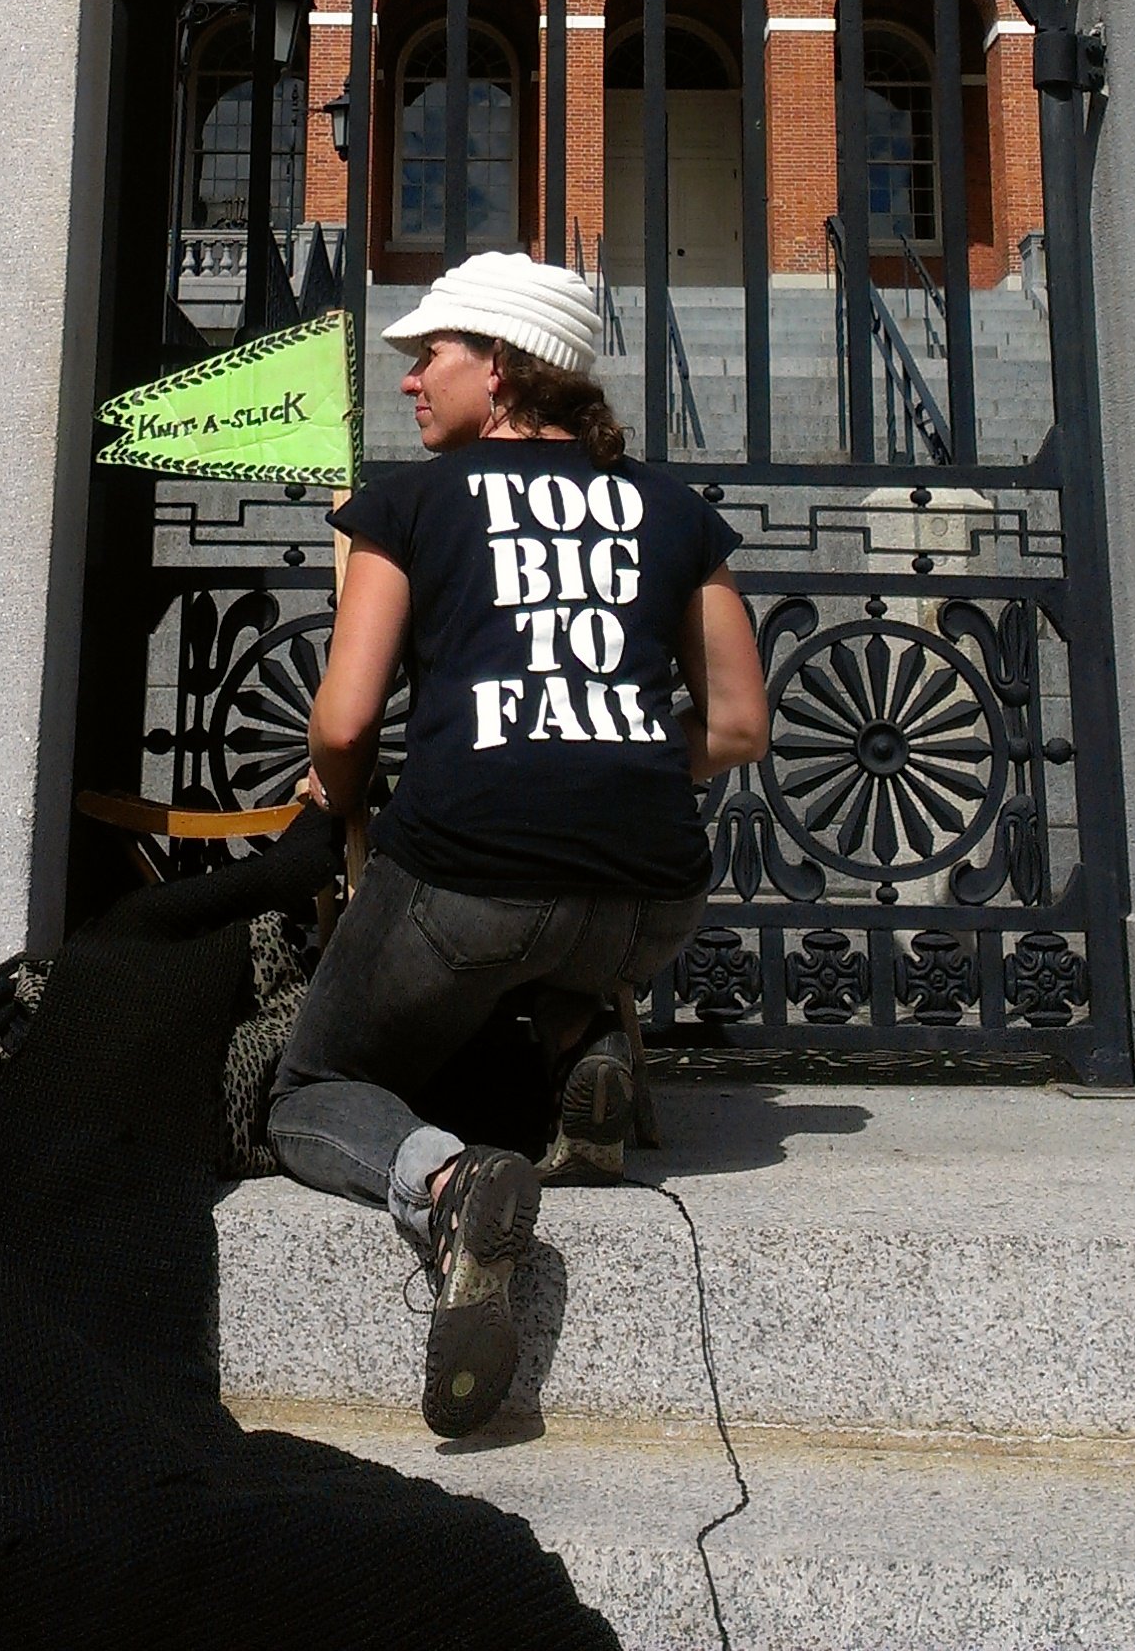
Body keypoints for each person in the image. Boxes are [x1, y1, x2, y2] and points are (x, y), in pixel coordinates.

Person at [268, 251, 770, 1441]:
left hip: (472, 881)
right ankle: (578, 1046)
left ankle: (450, 1186)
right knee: (546, 948)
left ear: (498, 367)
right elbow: (739, 726)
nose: (408, 380)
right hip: (650, 899)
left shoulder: (410, 504)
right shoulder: (673, 510)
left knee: (308, 1090)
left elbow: (343, 721)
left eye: (428, 355)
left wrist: (340, 791)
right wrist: (614, 750)